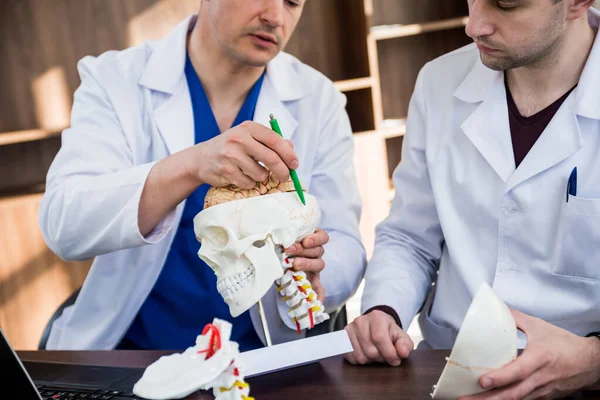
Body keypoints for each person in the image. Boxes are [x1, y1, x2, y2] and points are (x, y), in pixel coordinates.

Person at [39, 0, 365, 351]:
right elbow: (65, 223)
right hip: (134, 357)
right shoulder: (115, 81)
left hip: (263, 359)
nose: (275, 17)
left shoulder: (319, 99)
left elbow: (346, 243)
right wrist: (192, 165)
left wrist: (317, 272)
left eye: (292, 2)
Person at [346, 0, 600, 398]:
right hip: (446, 372)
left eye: (506, 5)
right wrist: (385, 309)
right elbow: (410, 237)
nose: (475, 25)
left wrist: (592, 360)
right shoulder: (439, 81)